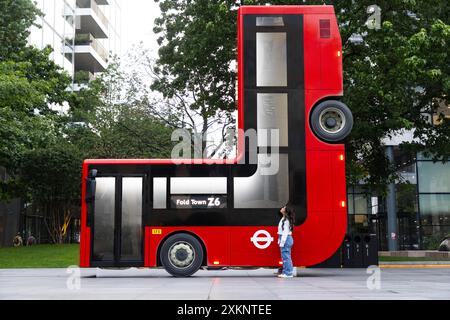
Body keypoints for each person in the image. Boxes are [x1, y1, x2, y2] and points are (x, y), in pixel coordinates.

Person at [277, 203, 295, 278]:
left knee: (286, 257)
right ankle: (285, 272)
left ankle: (288, 273)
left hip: (286, 238)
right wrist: (279, 240)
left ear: (286, 211)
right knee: (285, 256)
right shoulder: (284, 219)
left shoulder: (286, 220)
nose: (282, 208)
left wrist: (282, 242)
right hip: (285, 238)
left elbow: (285, 232)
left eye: (284, 208)